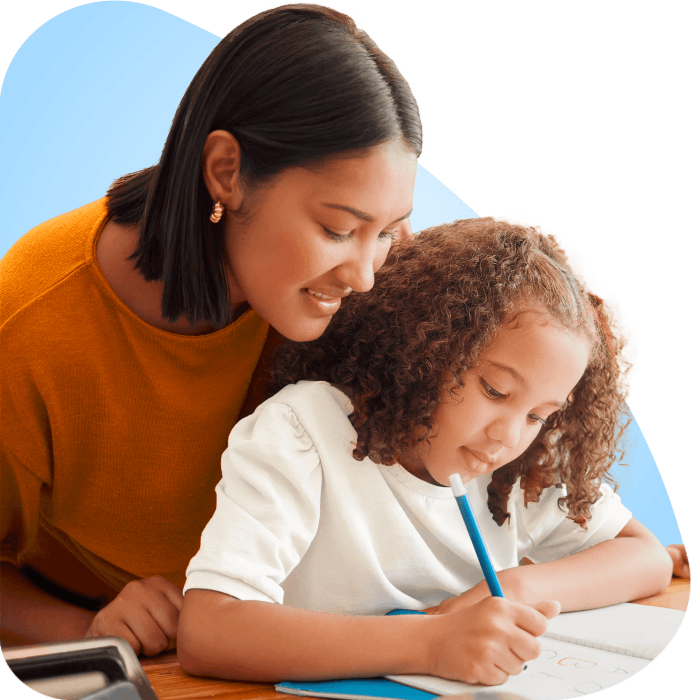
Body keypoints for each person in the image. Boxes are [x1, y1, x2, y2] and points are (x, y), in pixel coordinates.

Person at [0, 3, 423, 654]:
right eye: (338, 229)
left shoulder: (334, 293)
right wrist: (88, 632)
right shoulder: (31, 320)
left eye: (388, 231)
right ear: (227, 171)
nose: (365, 275)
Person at [177, 216, 674, 686]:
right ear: (426, 347)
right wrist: (432, 643)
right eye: (495, 391)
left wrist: (514, 587)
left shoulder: (511, 474)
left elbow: (646, 557)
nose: (508, 436)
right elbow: (209, 631)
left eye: (538, 415)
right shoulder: (304, 431)